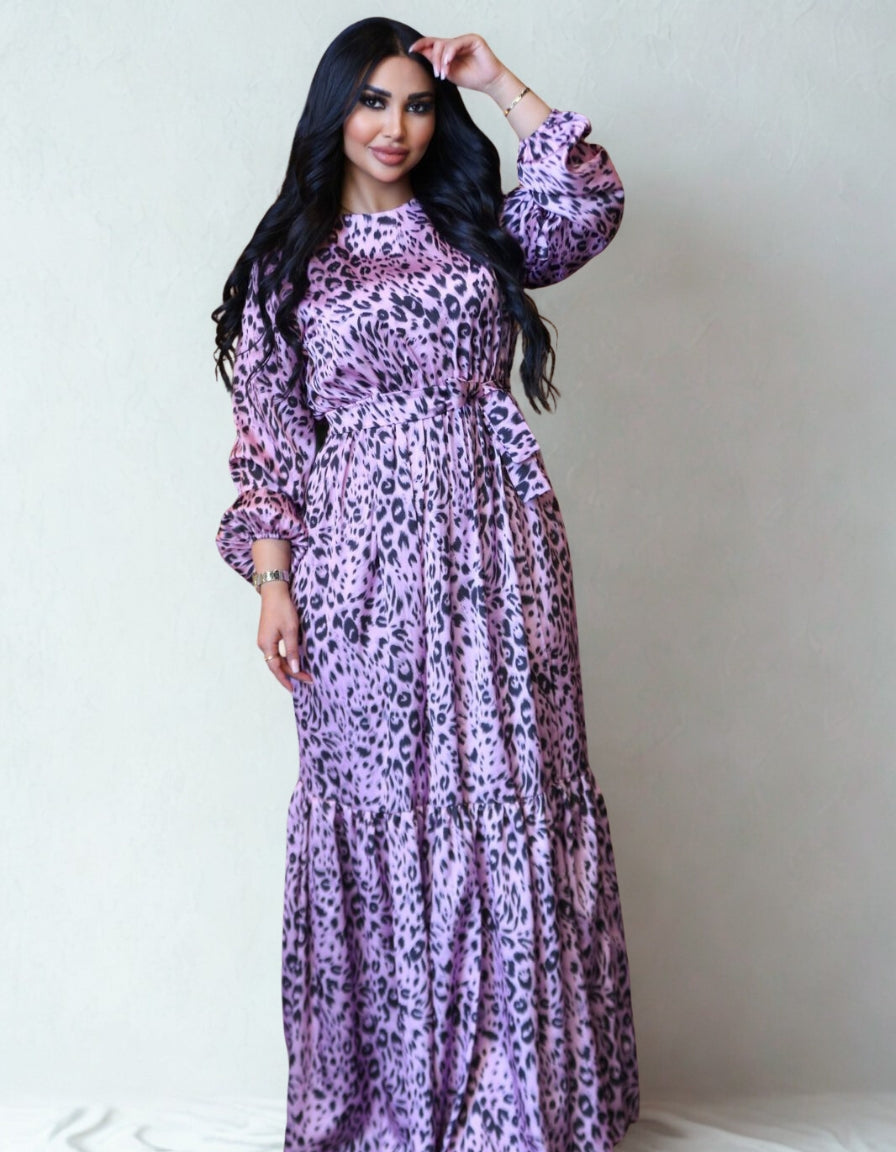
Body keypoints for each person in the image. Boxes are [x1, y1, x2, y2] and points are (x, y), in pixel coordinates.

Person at [214, 17, 638, 1152]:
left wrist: (496, 80)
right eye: (370, 103)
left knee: (505, 798)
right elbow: (265, 444)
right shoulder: (285, 269)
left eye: (412, 104)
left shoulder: (474, 231)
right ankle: (391, 1106)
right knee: (378, 805)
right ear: (332, 116)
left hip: (498, 558)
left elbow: (587, 207)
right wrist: (273, 582)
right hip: (356, 568)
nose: (393, 127)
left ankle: (516, 1106)